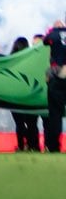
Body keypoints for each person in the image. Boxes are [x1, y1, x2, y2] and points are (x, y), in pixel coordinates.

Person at [10, 36, 41, 151]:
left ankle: (21, 146)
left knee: (19, 123)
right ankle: (34, 146)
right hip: (30, 96)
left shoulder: (9, 61)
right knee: (32, 123)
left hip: (14, 97)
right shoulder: (31, 59)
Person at [45, 20, 66, 154]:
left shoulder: (53, 34)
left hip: (56, 76)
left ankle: (53, 146)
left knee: (55, 114)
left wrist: (52, 31)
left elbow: (45, 42)